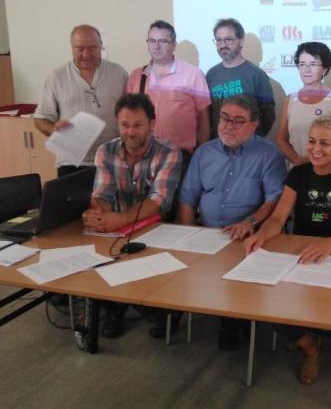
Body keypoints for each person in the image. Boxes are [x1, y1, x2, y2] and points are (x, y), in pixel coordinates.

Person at [244, 115, 331, 384]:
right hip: (300, 254)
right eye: (312, 141)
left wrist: (329, 244)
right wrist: (261, 234)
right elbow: (278, 218)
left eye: (325, 143)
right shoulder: (298, 174)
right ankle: (310, 346)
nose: (316, 148)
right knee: (268, 302)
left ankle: (313, 337)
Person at [178, 93, 286, 349]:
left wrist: (250, 221)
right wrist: (185, 238)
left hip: (247, 239)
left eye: (238, 121)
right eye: (225, 118)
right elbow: (187, 199)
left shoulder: (269, 154)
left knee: (237, 282)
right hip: (207, 235)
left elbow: (274, 199)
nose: (228, 126)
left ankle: (234, 320)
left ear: (254, 124)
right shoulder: (204, 153)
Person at [82, 93, 182, 338]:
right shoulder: (105, 151)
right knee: (94, 257)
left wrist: (120, 219)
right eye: (124, 125)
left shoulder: (169, 152)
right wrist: (99, 215)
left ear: (152, 124)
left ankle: (160, 310)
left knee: (149, 285)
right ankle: (114, 309)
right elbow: (102, 193)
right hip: (117, 228)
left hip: (156, 229)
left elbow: (158, 200)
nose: (130, 132)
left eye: (138, 125)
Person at [34, 24, 128, 177]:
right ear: (72, 47)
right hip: (71, 162)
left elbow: (130, 113)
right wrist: (54, 130)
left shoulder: (118, 73)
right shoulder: (56, 78)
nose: (86, 54)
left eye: (92, 48)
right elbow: (40, 119)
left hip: (112, 158)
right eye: (80, 49)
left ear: (101, 46)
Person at [127, 20, 211, 166]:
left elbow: (204, 119)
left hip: (180, 158)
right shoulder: (137, 76)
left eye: (163, 41)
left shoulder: (194, 74)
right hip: (142, 158)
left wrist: (202, 158)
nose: (156, 46)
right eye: (152, 40)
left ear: (173, 45)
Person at [275, 42, 331, 168]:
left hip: (326, 169)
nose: (307, 70)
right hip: (296, 169)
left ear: (324, 69)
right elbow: (281, 139)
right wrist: (297, 161)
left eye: (313, 64)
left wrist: (314, 162)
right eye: (302, 64)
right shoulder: (290, 99)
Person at [206, 18, 275, 137]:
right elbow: (208, 115)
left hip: (250, 145)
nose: (223, 45)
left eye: (228, 40)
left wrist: (252, 138)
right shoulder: (211, 74)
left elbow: (269, 116)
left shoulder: (257, 75)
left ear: (241, 42)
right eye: (219, 40)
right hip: (218, 144)